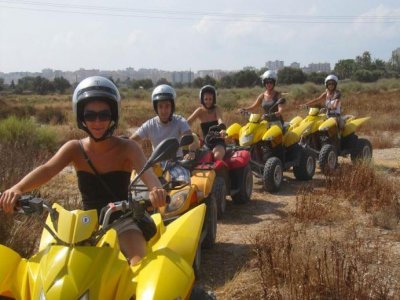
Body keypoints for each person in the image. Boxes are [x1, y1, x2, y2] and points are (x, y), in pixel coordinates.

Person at [0, 76, 166, 265]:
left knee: (138, 265)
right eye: (90, 115)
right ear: (81, 117)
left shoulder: (128, 148)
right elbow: (47, 169)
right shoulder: (74, 148)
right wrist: (17, 188)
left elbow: (149, 176)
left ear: (113, 115)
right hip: (83, 224)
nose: (97, 121)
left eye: (104, 115)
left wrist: (156, 191)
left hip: (122, 222)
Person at [130, 84, 192, 183]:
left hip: (176, 163)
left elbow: (189, 136)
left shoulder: (180, 121)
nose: (164, 110)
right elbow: (132, 140)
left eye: (167, 106)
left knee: (183, 183)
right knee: (136, 185)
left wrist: (191, 151)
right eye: (160, 106)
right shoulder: (150, 124)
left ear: (172, 107)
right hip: (155, 164)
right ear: (156, 108)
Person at [187, 85, 226, 161]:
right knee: (200, 160)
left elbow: (220, 119)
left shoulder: (216, 109)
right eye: (206, 99)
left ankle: (222, 172)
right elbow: (188, 122)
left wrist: (222, 129)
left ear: (214, 99)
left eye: (210, 99)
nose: (208, 101)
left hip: (218, 142)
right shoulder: (200, 111)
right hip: (207, 143)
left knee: (217, 157)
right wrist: (180, 130)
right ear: (202, 99)